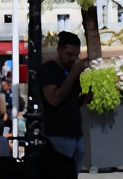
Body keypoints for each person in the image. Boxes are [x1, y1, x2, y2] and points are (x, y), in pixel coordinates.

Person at [37, 31, 89, 171]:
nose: (73, 59)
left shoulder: (71, 71)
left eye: (76, 55)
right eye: (69, 54)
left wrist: (86, 97)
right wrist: (74, 72)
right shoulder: (49, 70)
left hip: (75, 133)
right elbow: (54, 99)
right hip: (58, 134)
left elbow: (73, 100)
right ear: (59, 50)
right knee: (60, 177)